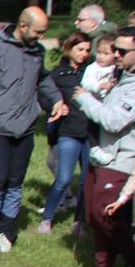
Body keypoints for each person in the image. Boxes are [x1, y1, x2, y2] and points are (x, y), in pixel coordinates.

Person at [70, 25, 135, 267]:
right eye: (114, 49)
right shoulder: (123, 75)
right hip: (102, 153)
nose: (115, 55)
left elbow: (115, 121)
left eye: (122, 51)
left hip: (122, 158)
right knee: (94, 215)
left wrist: (85, 98)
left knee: (107, 215)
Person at [0, 5, 64, 250]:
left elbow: (43, 79)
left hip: (26, 128)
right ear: (23, 26)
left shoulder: (37, 53)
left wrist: (57, 99)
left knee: (15, 182)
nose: (41, 37)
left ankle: (7, 231)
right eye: (38, 31)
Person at [37, 31, 93, 234]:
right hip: (69, 132)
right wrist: (56, 106)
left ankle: (79, 222)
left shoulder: (93, 72)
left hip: (90, 134)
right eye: (80, 49)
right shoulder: (58, 75)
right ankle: (47, 219)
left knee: (86, 181)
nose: (84, 54)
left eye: (87, 50)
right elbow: (43, 95)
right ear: (68, 49)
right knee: (63, 179)